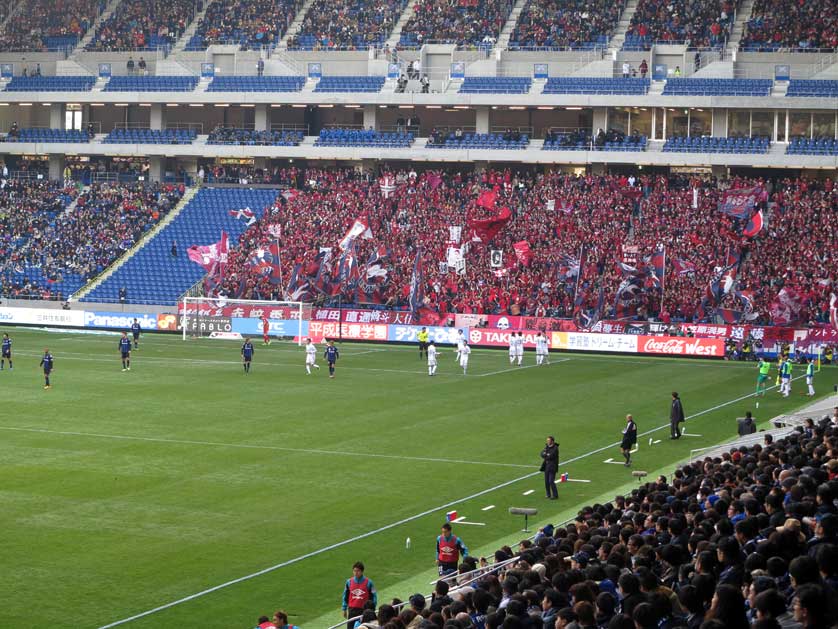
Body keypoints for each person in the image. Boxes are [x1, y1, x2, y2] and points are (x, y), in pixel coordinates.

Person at [342, 561, 377, 627]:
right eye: (354, 571)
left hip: (364, 611)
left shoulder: (369, 582)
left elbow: (374, 597)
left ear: (362, 571)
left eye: (358, 571)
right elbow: (345, 596)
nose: (356, 573)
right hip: (352, 610)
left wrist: (372, 609)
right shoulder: (349, 582)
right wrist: (344, 609)